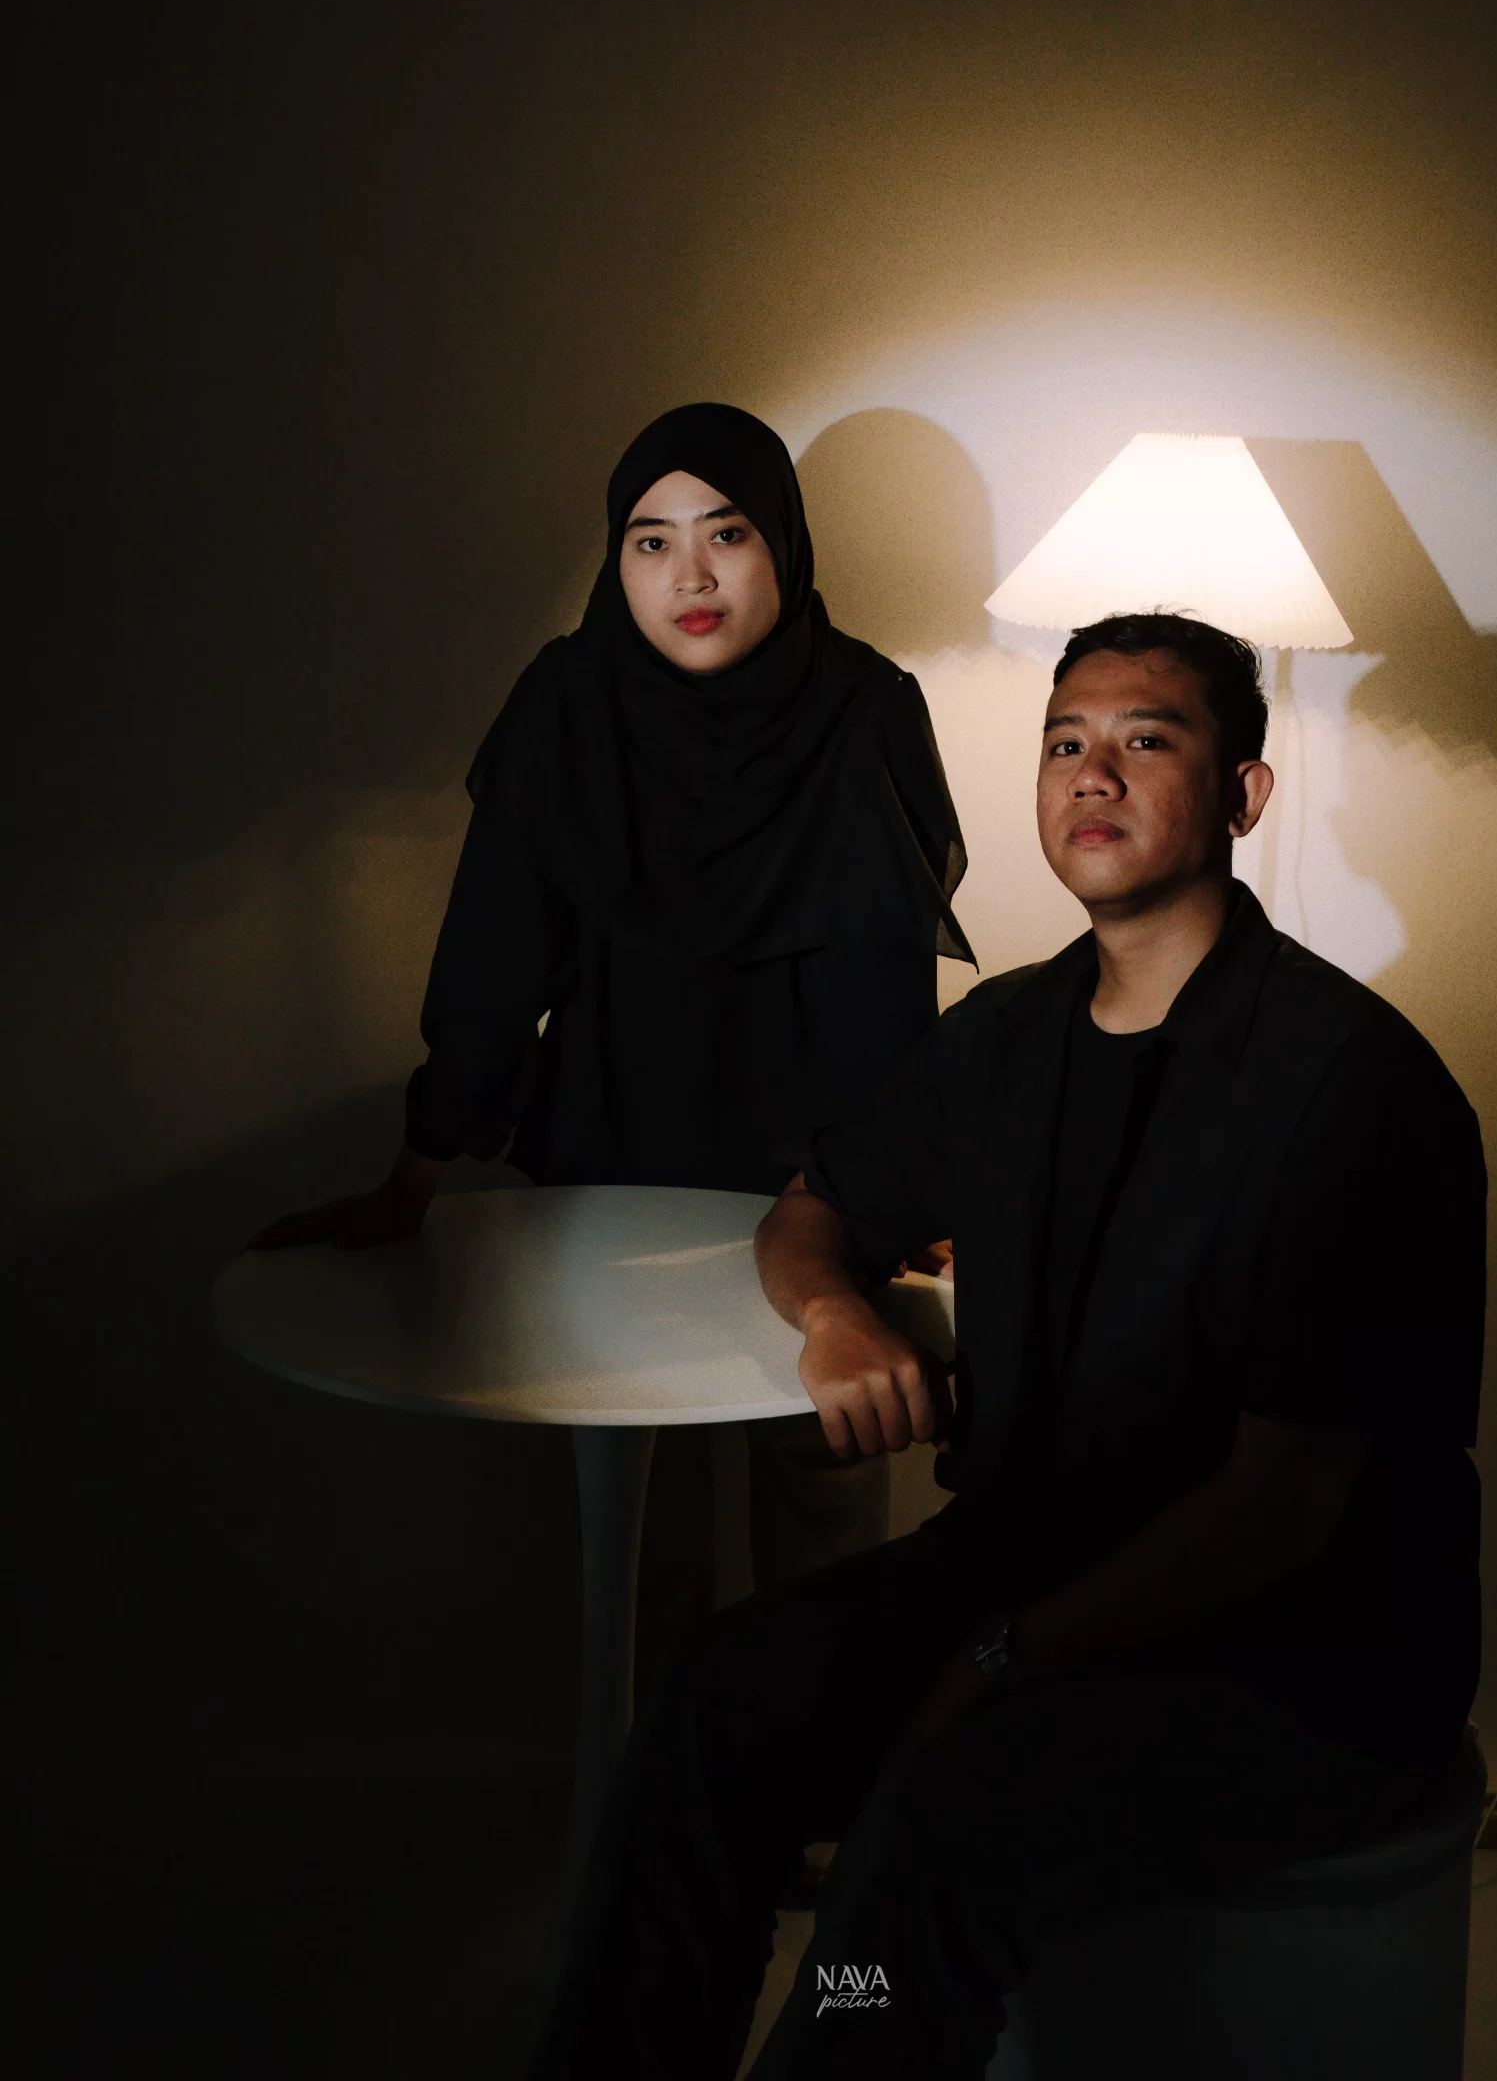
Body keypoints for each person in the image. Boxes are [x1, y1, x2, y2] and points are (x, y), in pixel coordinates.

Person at [524, 609, 1487, 2081]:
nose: (1091, 774)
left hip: (1300, 1658)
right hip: (1028, 1563)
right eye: (1063, 743)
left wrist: (996, 1659)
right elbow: (811, 1210)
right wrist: (836, 1315)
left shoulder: (1353, 1085)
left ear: (1242, 795)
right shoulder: (1007, 1035)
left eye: (1144, 741)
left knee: (933, 1830)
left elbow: (1280, 1508)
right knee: (720, 1694)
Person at [255, 400, 972, 1651]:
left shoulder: (864, 707)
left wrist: (900, 1194)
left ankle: (813, 1775)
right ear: (617, 558)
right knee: (646, 1532)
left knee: (826, 1510)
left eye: (727, 533)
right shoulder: (566, 704)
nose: (690, 576)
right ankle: (664, 1777)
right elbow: (492, 964)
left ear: (784, 544)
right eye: (651, 541)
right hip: (613, 1184)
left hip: (818, 1197)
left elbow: (888, 992)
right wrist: (415, 1175)